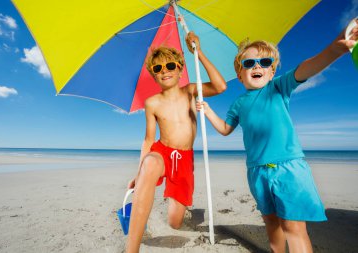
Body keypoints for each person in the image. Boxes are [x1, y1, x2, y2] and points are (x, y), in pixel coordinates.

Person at [196, 28, 358, 253]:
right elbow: (225, 129)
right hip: (257, 171)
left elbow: (307, 68)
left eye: (264, 62)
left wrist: (334, 49)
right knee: (271, 222)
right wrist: (208, 111)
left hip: (288, 168)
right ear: (240, 73)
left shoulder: (278, 88)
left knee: (292, 226)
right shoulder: (238, 104)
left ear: (272, 72)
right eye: (249, 63)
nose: (257, 66)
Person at [125, 32, 227, 253]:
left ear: (180, 69)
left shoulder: (191, 90)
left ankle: (182, 207)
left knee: (175, 222)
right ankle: (131, 248)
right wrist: (139, 171)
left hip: (184, 160)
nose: (165, 71)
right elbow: (148, 139)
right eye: (158, 69)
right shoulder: (152, 103)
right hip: (161, 152)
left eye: (170, 65)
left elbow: (220, 87)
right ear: (153, 75)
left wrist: (198, 53)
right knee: (150, 165)